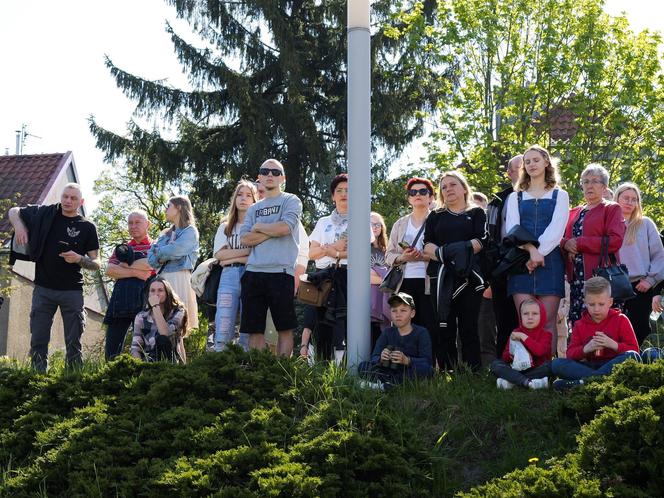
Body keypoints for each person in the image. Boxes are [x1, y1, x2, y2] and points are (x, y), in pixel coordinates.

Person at [8, 183, 100, 372]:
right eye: (65, 196)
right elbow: (14, 210)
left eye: (73, 198)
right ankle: (37, 379)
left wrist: (79, 259)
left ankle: (73, 379)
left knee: (74, 342)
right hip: (43, 287)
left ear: (80, 202)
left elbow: (97, 263)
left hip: (72, 290)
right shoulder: (45, 213)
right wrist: (19, 227)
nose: (68, 201)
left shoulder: (88, 227)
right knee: (38, 340)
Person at [505, 145, 569, 354]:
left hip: (551, 263)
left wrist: (539, 253)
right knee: (525, 322)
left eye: (536, 160)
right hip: (521, 263)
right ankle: (524, 370)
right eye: (527, 161)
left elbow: (557, 229)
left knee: (548, 324)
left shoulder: (560, 195)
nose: (531, 164)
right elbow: (513, 228)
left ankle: (545, 375)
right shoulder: (515, 197)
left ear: (547, 162)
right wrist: (532, 252)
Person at [423, 171, 488, 370]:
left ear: (463, 188)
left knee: (469, 326)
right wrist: (456, 252)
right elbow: (427, 247)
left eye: (453, 184)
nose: (448, 189)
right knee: (444, 325)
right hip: (441, 278)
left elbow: (480, 242)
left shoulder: (477, 212)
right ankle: (446, 370)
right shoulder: (435, 216)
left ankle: (472, 372)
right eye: (444, 187)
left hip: (469, 277)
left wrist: (447, 252)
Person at [240, 159, 302, 356]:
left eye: (275, 172)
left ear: (282, 178)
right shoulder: (252, 209)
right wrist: (272, 230)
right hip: (253, 273)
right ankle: (259, 373)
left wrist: (259, 227)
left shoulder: (291, 200)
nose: (270, 175)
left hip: (281, 272)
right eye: (265, 171)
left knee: (284, 327)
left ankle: (282, 374)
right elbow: (245, 239)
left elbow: (285, 228)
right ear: (259, 177)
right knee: (254, 329)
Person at [561, 164, 625, 324]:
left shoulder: (611, 209)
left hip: (600, 277)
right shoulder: (574, 212)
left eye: (595, 181)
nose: (589, 185)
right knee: (578, 324)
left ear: (604, 187)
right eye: (585, 181)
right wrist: (566, 244)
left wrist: (580, 243)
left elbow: (615, 240)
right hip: (576, 278)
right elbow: (560, 237)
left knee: (602, 324)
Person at [550, 276, 640, 391]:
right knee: (557, 364)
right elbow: (570, 354)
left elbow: (634, 350)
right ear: (585, 303)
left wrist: (613, 344)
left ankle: (582, 383)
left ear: (610, 302)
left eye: (601, 304)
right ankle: (600, 381)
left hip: (613, 365)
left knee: (632, 356)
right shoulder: (579, 325)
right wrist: (586, 349)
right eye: (591, 305)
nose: (596, 309)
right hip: (589, 366)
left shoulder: (621, 319)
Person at [385, 177, 436, 362]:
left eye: (423, 192)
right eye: (413, 192)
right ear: (408, 199)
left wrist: (423, 256)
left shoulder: (438, 219)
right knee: (403, 324)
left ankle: (428, 368)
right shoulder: (400, 224)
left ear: (431, 197)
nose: (418, 195)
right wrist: (403, 257)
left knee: (429, 325)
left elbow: (444, 253)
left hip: (430, 282)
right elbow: (388, 255)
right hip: (404, 282)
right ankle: (401, 366)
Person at [308, 174, 353, 363]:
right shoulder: (323, 221)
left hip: (347, 276)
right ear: (333, 196)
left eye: (348, 190)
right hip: (322, 277)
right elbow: (311, 254)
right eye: (339, 191)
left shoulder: (360, 220)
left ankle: (342, 370)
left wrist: (329, 251)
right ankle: (318, 367)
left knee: (342, 323)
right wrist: (335, 247)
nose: (343, 194)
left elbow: (357, 253)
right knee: (320, 323)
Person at [614, 183, 664, 344]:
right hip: (613, 285)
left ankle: (632, 362)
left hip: (640, 285)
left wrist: (650, 280)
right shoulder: (609, 223)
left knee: (639, 328)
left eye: (634, 199)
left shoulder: (646, 223)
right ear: (617, 198)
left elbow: (659, 255)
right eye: (626, 198)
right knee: (613, 328)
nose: (630, 202)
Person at [212, 180, 258, 351]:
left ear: (255, 200)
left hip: (251, 274)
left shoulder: (257, 227)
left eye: (248, 195)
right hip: (228, 276)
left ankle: (245, 365)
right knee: (224, 321)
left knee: (248, 322)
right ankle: (219, 360)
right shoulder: (225, 226)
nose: (243, 199)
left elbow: (257, 256)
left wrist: (229, 257)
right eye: (240, 194)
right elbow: (219, 255)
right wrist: (246, 253)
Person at [148, 196, 200, 346]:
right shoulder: (164, 234)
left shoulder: (190, 231)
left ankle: (180, 365)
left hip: (179, 277)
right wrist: (164, 253)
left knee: (177, 326)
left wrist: (161, 253)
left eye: (168, 205)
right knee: (160, 321)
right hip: (162, 280)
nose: (165, 209)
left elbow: (176, 250)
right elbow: (150, 259)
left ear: (178, 208)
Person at [103, 210, 155, 360]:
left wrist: (124, 266)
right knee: (112, 350)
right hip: (120, 301)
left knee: (146, 348)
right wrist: (137, 273)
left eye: (137, 222)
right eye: (130, 223)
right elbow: (110, 270)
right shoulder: (122, 248)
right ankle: (111, 378)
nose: (133, 226)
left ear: (148, 224)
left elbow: (150, 265)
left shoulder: (155, 247)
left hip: (146, 301)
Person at [486, 155, 522, 360]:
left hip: (530, 263)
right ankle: (503, 363)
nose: (525, 170)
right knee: (504, 318)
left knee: (529, 316)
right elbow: (490, 237)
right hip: (501, 266)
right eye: (518, 167)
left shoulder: (542, 196)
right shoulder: (498, 201)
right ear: (509, 173)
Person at [359, 292, 433, 386]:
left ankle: (384, 384)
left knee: (427, 370)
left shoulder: (421, 333)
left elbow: (427, 361)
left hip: (409, 370)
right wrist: (381, 358)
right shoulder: (387, 332)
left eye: (403, 310)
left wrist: (407, 360)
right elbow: (374, 357)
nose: (398, 314)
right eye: (394, 311)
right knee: (363, 366)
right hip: (389, 370)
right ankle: (391, 384)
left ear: (412, 313)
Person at [489, 298, 551, 389]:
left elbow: (540, 351)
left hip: (537, 369)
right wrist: (512, 354)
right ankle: (528, 382)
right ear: (520, 316)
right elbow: (505, 357)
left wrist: (523, 337)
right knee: (495, 365)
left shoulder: (546, 334)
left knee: (550, 367)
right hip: (517, 369)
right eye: (525, 314)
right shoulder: (515, 332)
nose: (530, 317)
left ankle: (512, 382)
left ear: (542, 315)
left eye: (535, 313)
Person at [131, 277, 187, 362]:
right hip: (149, 364)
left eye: (160, 290)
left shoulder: (178, 311)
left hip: (171, 361)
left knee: (162, 339)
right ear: (148, 294)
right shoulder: (141, 317)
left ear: (167, 293)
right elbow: (136, 347)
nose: (156, 294)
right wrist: (139, 367)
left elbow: (165, 333)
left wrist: (155, 307)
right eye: (152, 291)